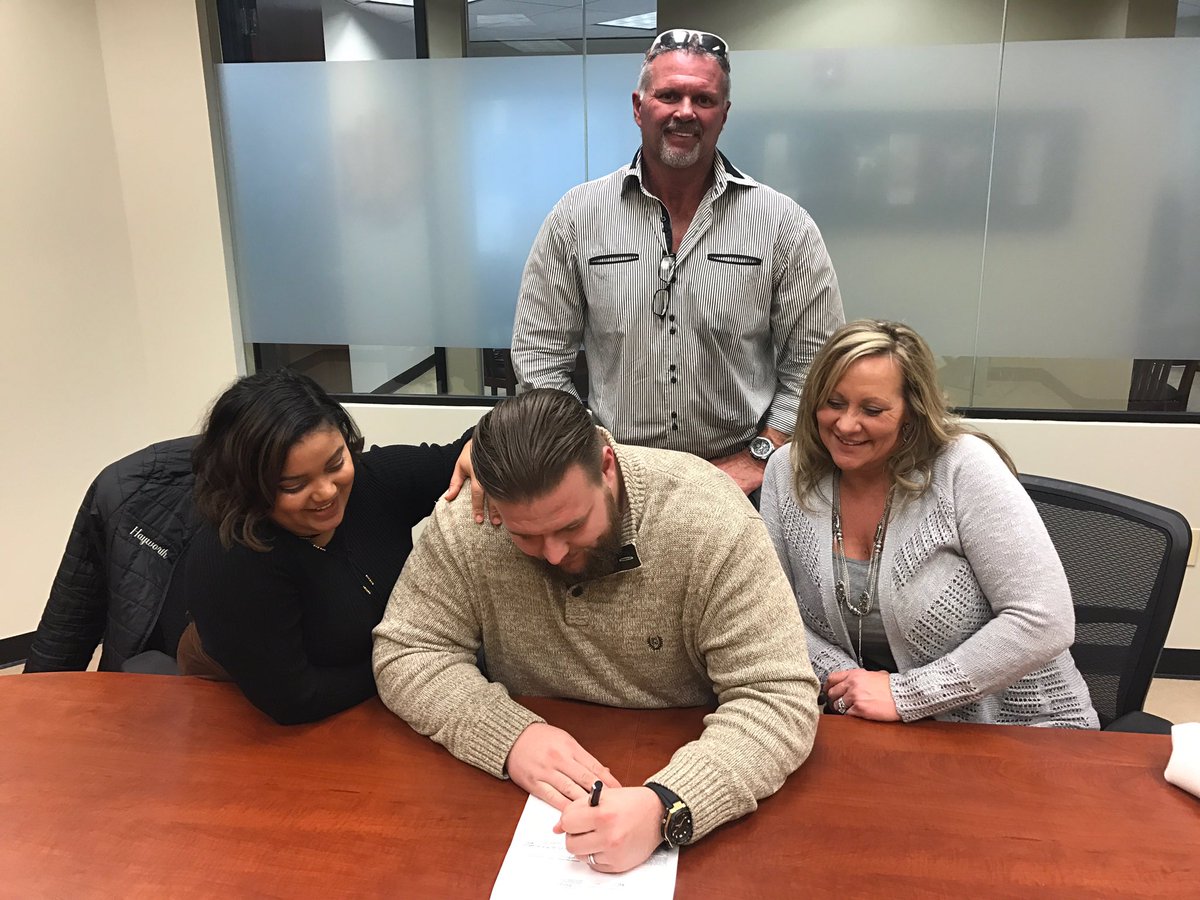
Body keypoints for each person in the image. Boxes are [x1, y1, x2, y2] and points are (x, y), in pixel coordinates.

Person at [373, 389, 819, 874]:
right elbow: (409, 648)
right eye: (525, 535)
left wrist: (669, 804)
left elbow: (777, 696)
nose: (553, 554)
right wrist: (509, 737)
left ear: (607, 467)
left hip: (687, 777)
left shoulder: (708, 518)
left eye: (572, 526)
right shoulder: (477, 515)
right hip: (516, 803)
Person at [509, 28, 844, 498]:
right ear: (638, 106)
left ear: (723, 114)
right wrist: (586, 453)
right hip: (614, 483)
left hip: (741, 488)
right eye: (669, 95)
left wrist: (757, 458)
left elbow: (816, 363)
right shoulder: (577, 218)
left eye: (703, 99)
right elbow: (539, 360)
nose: (685, 111)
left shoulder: (783, 224)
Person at [759, 320, 1099, 728]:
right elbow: (769, 612)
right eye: (833, 403)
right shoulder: (787, 472)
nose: (846, 425)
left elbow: (1044, 621)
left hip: (1023, 728)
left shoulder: (962, 466)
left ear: (912, 412)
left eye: (872, 410)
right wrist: (847, 684)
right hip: (879, 729)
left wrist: (905, 695)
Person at [175, 370, 471, 725]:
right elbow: (294, 699)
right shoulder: (231, 560)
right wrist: (406, 663)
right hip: (247, 694)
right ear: (246, 486)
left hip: (370, 678)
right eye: (293, 485)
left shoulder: (375, 481)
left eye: (335, 464)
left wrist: (479, 451)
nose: (327, 492)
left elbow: (477, 445)